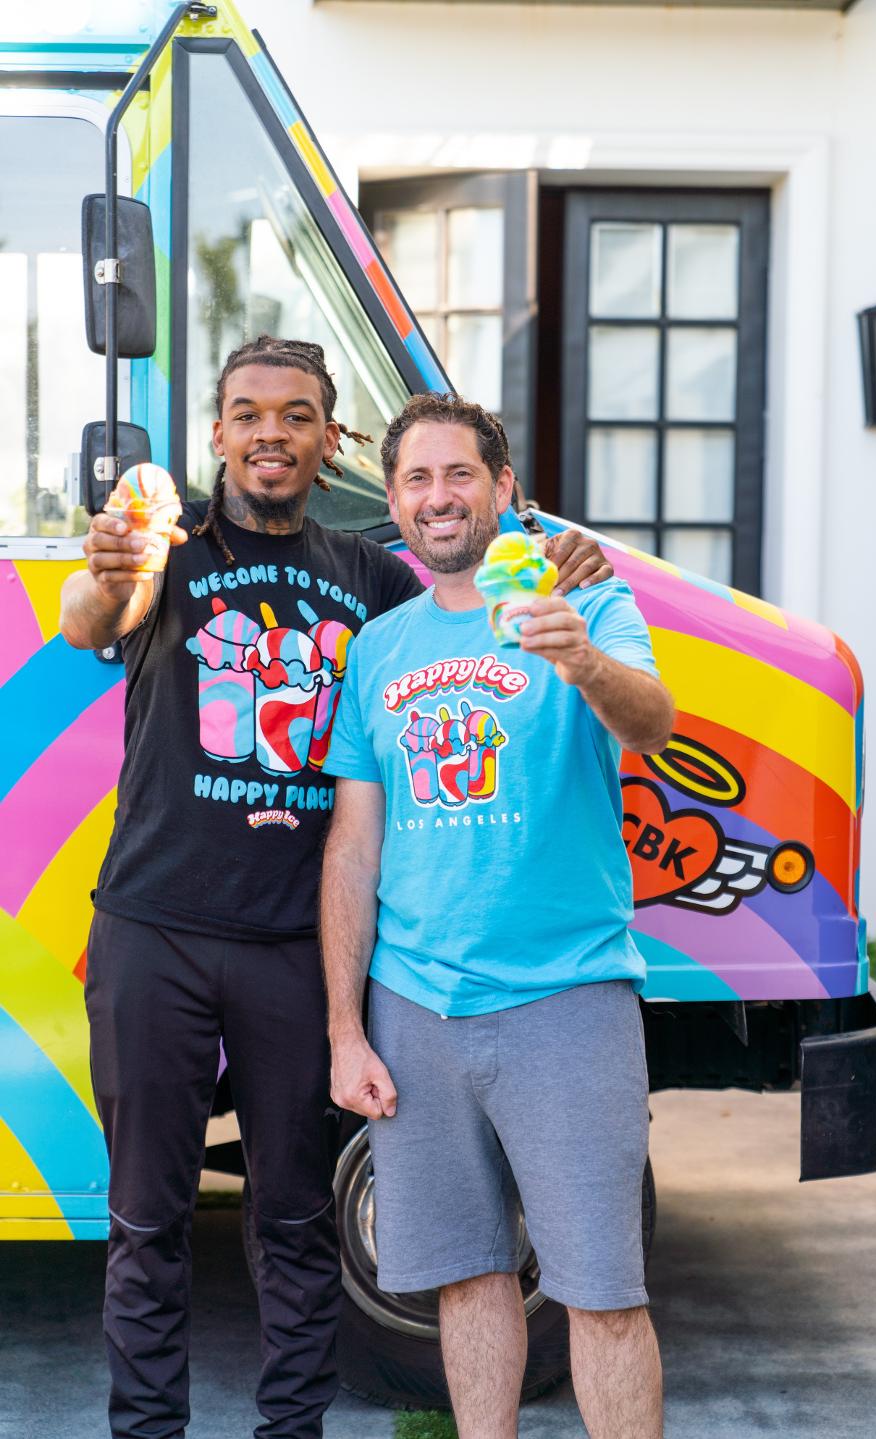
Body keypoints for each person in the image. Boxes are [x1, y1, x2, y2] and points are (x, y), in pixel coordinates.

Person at [59, 335, 612, 1439]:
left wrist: (563, 552)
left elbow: (468, 584)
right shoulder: (171, 549)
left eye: (298, 413)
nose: (272, 431)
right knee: (147, 1218)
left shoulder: (370, 575)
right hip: (151, 932)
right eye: (250, 412)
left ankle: (290, 1428)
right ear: (217, 434)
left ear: (329, 438)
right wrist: (109, 563)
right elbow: (92, 614)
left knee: (296, 1218)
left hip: (293, 945)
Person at [320, 391, 675, 1439]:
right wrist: (346, 1028)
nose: (440, 497)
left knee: (602, 1291)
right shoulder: (377, 649)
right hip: (415, 1009)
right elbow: (353, 844)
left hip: (566, 997)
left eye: (461, 474)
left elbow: (652, 726)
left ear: (504, 487)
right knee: (465, 1283)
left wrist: (582, 657)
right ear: (393, 501)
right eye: (418, 479)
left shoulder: (584, 601)